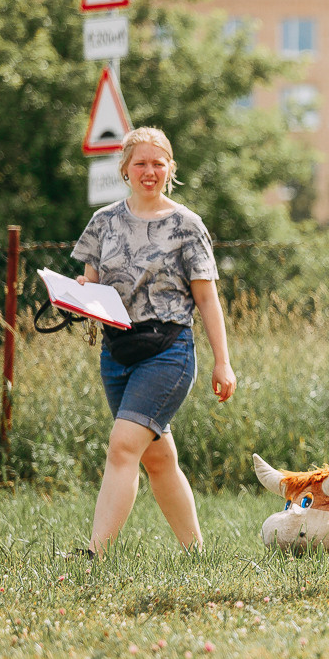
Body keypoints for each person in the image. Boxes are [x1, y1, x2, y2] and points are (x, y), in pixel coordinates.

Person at [70, 126, 236, 556]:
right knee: (157, 459)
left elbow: (207, 298)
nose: (149, 171)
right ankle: (197, 553)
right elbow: (90, 283)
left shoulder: (187, 225)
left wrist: (223, 361)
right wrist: (76, 294)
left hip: (169, 352)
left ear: (170, 169)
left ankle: (95, 552)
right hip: (117, 352)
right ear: (125, 168)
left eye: (158, 163)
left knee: (123, 445)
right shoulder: (103, 221)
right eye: (140, 163)